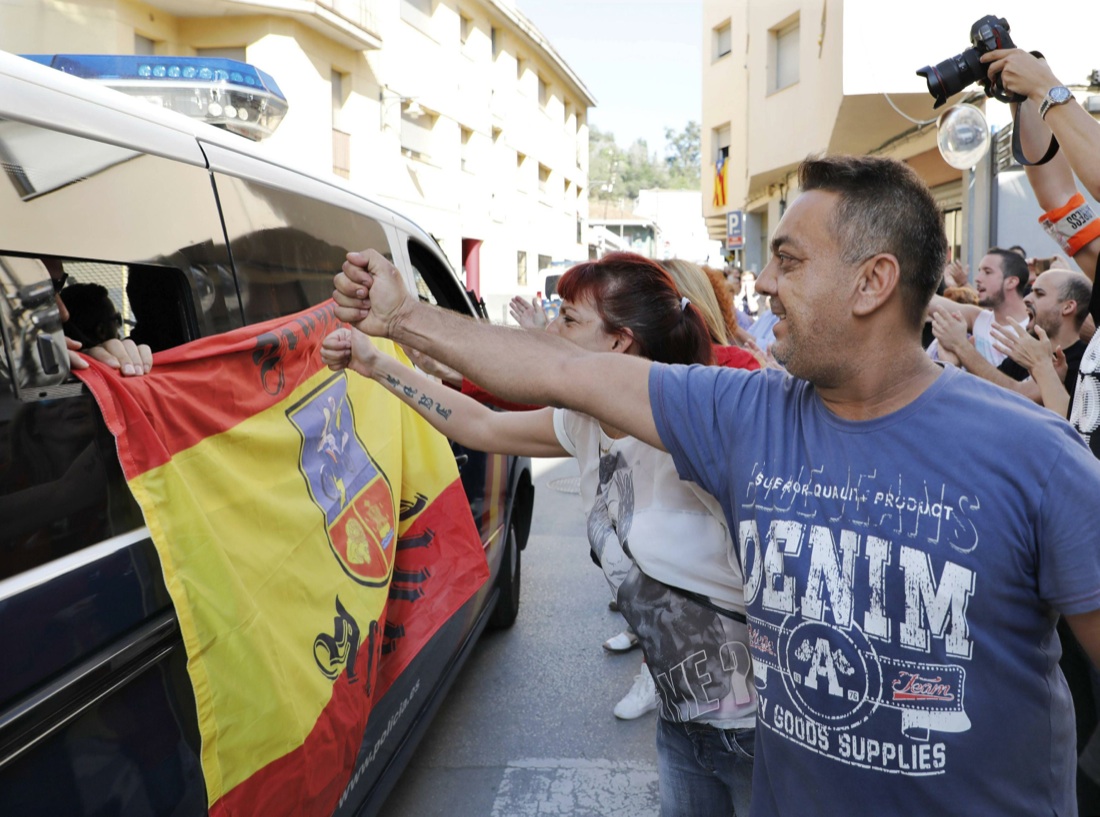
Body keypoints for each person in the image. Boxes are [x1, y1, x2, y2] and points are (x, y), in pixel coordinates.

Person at [333, 154, 1100, 817]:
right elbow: (561, 370)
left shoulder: (1036, 456)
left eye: (790, 261)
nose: (762, 284)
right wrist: (400, 319)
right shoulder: (740, 414)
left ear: (872, 282)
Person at [326, 252, 757, 816]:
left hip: (761, 735)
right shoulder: (583, 422)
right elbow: (481, 424)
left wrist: (405, 316)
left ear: (620, 343)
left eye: (569, 321)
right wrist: (374, 362)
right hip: (681, 728)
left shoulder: (698, 422)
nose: (548, 333)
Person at [931, 268, 1091, 411]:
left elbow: (1015, 395)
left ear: (1068, 307)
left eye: (1039, 293)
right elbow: (988, 391)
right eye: (1030, 291)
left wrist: (961, 346)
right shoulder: (1026, 350)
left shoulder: (1084, 363)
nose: (1027, 298)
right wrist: (953, 365)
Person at [928, 248, 1030, 368]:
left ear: (1011, 282)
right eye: (979, 271)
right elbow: (928, 301)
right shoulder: (977, 317)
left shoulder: (1033, 331)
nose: (977, 278)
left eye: (987, 272)